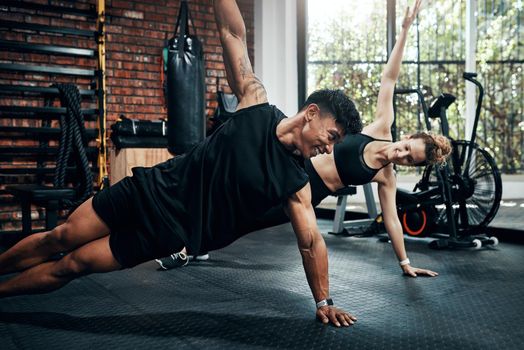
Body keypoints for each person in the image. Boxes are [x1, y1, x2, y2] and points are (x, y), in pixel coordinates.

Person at [0, 0, 362, 328]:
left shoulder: (295, 181)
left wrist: (324, 300)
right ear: (311, 114)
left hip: (166, 232)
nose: (327, 149)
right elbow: (232, 32)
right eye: (330, 137)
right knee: (60, 236)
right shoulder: (255, 102)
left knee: (72, 265)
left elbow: (311, 241)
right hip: (148, 189)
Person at [156, 0, 451, 278]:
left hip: (308, 193)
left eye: (410, 159)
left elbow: (392, 221)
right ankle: (182, 242)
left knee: (243, 221)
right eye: (407, 148)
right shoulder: (382, 127)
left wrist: (405, 263)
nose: (402, 154)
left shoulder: (385, 177)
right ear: (408, 137)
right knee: (233, 197)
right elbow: (389, 78)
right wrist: (403, 31)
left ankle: (190, 248)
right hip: (293, 165)